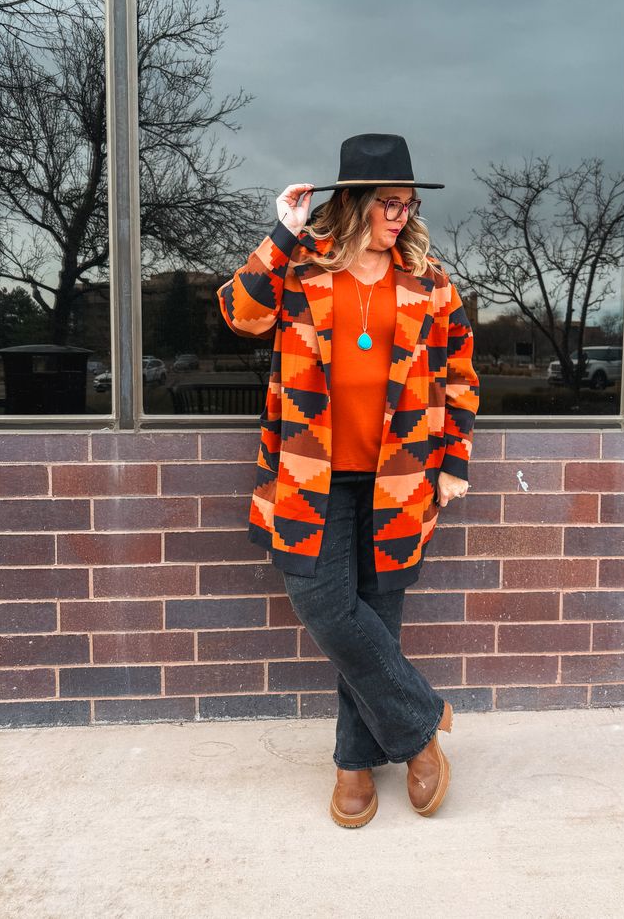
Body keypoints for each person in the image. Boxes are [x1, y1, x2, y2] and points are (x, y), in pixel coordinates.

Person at [216, 132, 479, 828]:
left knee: (378, 620)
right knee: (330, 609)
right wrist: (281, 231)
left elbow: (460, 380)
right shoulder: (301, 271)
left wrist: (453, 461)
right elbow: (239, 312)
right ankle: (421, 724)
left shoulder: (432, 282)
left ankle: (353, 764)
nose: (400, 214)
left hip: (399, 478)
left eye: (407, 202)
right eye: (388, 202)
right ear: (356, 202)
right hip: (311, 476)